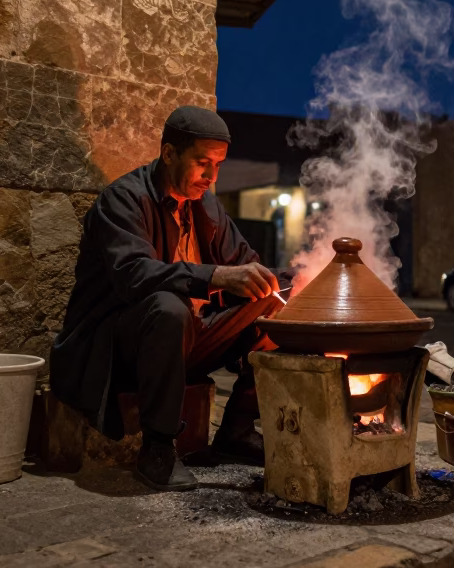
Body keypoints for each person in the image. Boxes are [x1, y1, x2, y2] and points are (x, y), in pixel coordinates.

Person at [51, 106, 287, 491]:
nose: (211, 176)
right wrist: (215, 276)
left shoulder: (206, 205)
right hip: (116, 349)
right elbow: (134, 276)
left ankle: (239, 429)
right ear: (169, 153)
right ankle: (158, 448)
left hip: (188, 340)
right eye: (202, 163)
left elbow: (244, 264)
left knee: (275, 301)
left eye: (219, 165)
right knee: (168, 306)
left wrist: (283, 280)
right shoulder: (123, 200)